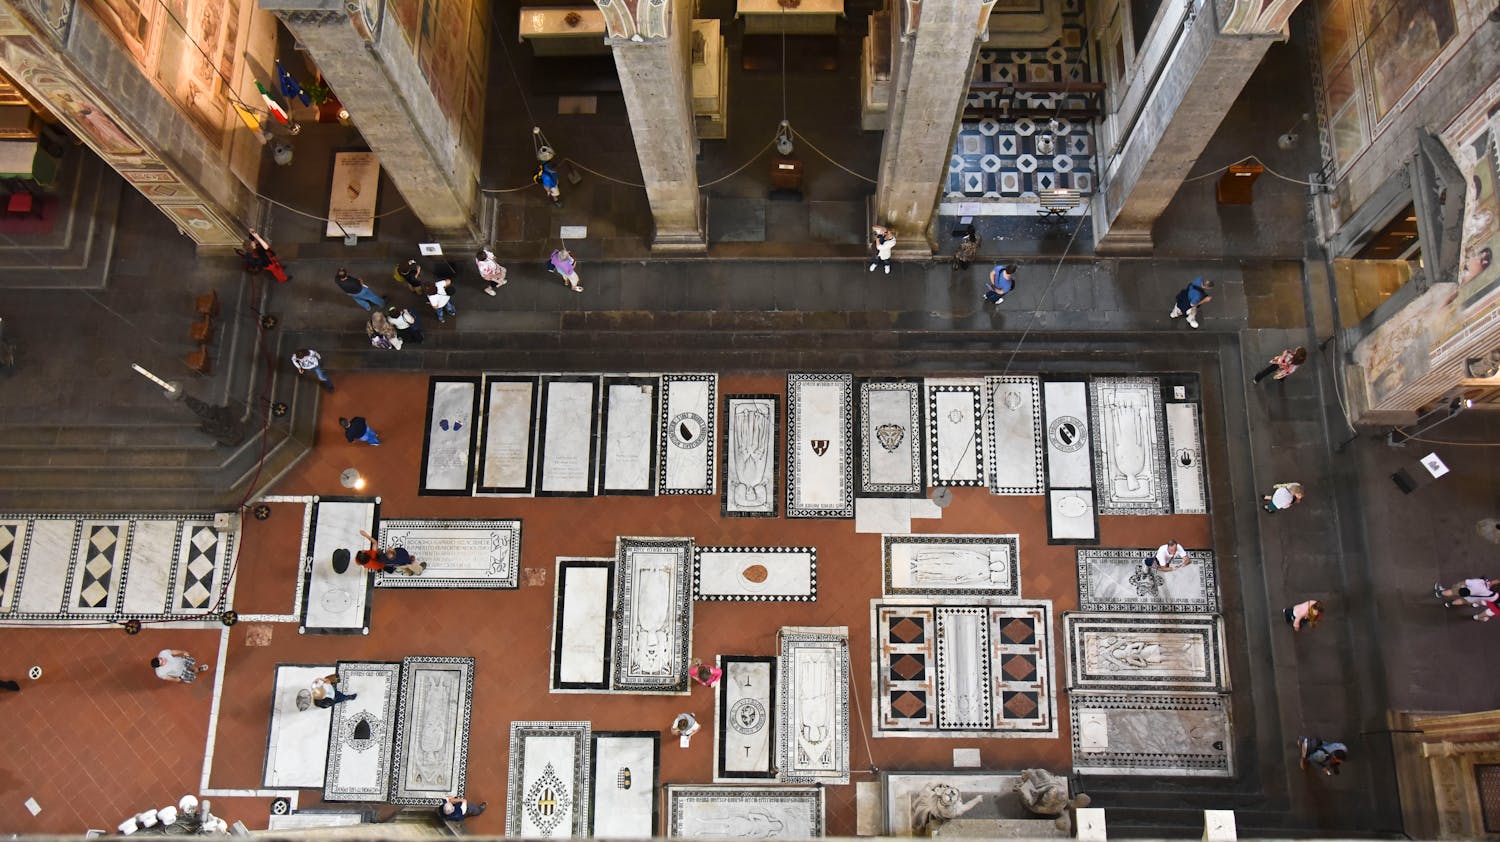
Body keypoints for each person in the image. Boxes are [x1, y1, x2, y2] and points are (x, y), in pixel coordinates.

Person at [356, 529, 426, 576]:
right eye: (363, 551)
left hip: (381, 565)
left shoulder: (365, 563)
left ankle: (407, 571)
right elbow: (374, 542)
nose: (389, 547)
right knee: (410, 563)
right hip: (404, 561)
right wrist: (365, 535)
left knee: (398, 565)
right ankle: (418, 570)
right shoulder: (374, 554)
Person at [1434, 577, 1500, 610]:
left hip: (1464, 590)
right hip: (1472, 599)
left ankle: (1440, 593)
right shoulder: (1493, 595)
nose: (1496, 579)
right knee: (1463, 601)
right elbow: (1489, 600)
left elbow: (1467, 582)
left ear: (1495, 583)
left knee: (1452, 591)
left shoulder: (1481, 583)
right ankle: (1449, 604)